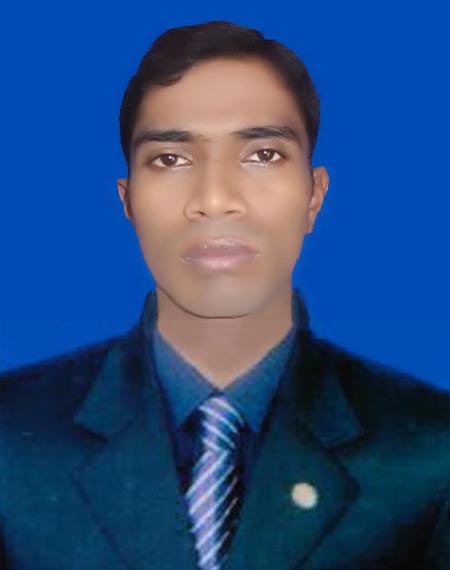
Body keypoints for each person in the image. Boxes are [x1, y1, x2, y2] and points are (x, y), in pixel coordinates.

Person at [0, 19, 449, 570]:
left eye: (262, 154)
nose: (214, 200)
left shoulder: (432, 452)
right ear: (128, 200)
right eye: (170, 159)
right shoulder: (11, 438)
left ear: (313, 196)